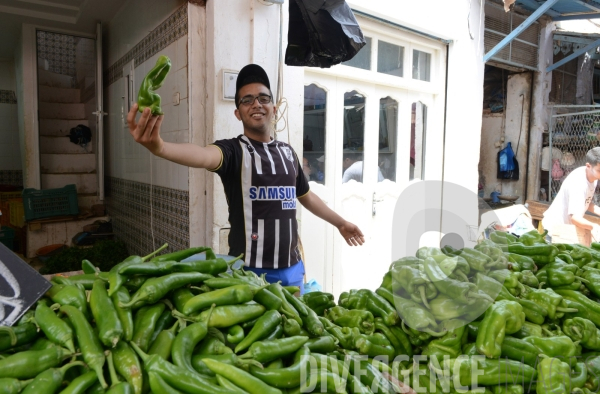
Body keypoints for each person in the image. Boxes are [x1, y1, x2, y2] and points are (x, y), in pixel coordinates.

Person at [127, 64, 364, 293]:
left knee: (294, 330)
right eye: (247, 100)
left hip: (292, 270)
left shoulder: (288, 153)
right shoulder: (234, 151)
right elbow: (202, 155)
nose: (256, 104)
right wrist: (160, 147)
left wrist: (340, 223)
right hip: (250, 274)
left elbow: (306, 195)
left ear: (274, 107)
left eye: (263, 98)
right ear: (238, 113)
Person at [542, 147, 600, 246]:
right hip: (555, 230)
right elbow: (575, 218)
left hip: (568, 230)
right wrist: (594, 227)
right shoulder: (579, 183)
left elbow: (586, 201)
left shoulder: (593, 177)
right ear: (588, 166)